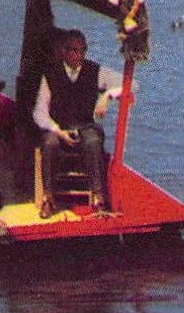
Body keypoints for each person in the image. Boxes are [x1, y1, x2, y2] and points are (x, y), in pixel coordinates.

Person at [32, 29, 120, 217]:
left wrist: (107, 95)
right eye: (73, 50)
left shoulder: (94, 70)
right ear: (64, 51)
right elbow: (39, 112)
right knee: (49, 143)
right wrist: (58, 130)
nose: (78, 55)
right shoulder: (50, 73)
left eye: (82, 51)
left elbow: (130, 84)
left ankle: (99, 198)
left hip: (84, 126)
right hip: (59, 127)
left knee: (93, 141)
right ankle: (48, 197)